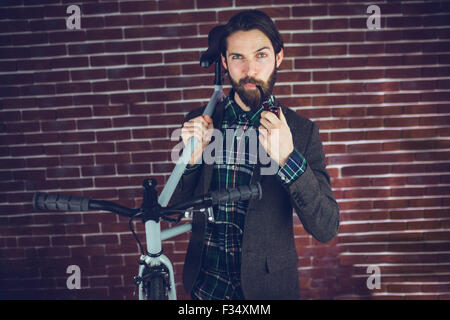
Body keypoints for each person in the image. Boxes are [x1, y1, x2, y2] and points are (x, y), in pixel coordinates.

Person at [170, 10, 340, 300]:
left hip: (268, 291)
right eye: (237, 57)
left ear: (278, 57)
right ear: (224, 62)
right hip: (204, 288)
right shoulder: (201, 121)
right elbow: (173, 211)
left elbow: (326, 227)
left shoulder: (301, 132)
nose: (250, 69)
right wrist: (191, 162)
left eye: (261, 55)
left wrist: (288, 158)